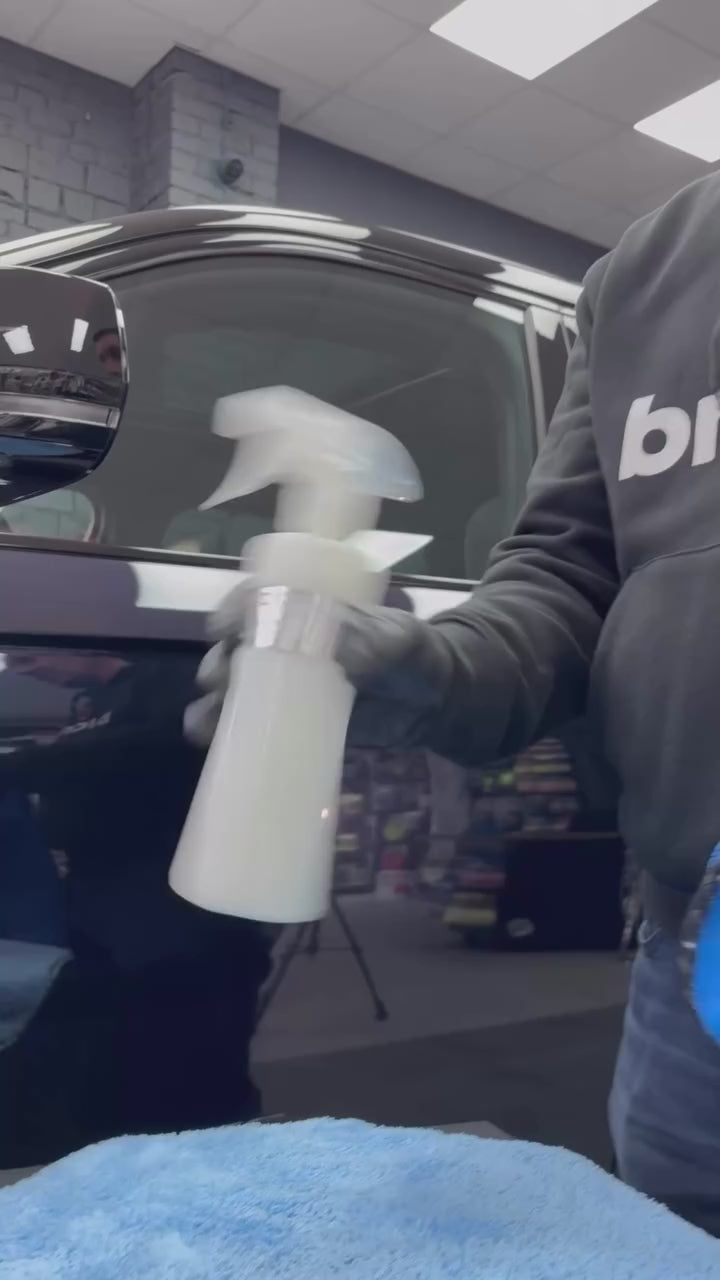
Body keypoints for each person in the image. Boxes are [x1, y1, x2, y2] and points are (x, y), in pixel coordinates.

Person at [189, 171, 720, 1237]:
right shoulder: (653, 267)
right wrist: (430, 668)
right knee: (675, 1234)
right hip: (692, 956)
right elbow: (567, 573)